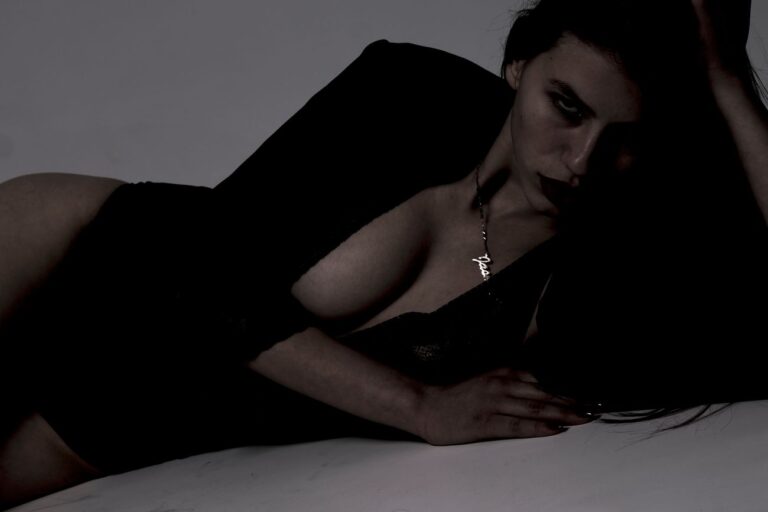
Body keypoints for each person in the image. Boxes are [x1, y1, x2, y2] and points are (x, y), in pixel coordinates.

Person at [1, 0, 765, 507]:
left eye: (625, 138)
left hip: (87, 430)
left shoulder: (592, 281)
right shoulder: (408, 90)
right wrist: (418, 405)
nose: (581, 161)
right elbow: (202, 273)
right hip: (70, 247)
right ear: (519, 65)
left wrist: (732, 87)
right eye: (566, 106)